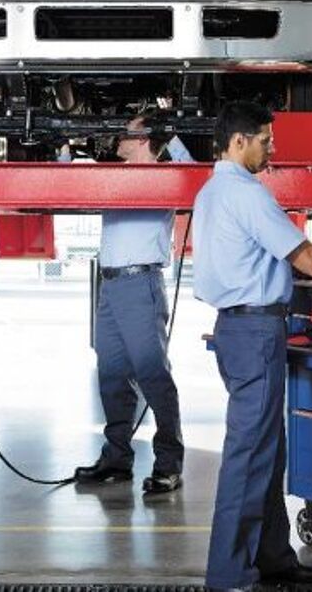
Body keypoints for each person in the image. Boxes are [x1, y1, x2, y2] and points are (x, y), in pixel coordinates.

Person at [192, 101, 312, 592]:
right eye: (265, 140)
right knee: (249, 457)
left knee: (267, 453)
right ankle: (229, 576)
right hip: (256, 333)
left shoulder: (210, 193)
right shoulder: (247, 193)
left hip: (235, 330)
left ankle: (272, 557)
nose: (271, 149)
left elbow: (279, 256)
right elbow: (311, 262)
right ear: (239, 141)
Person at [74, 111, 193, 493]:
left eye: (127, 131)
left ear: (144, 138)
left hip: (141, 284)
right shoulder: (115, 176)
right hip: (110, 285)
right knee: (111, 375)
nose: (117, 136)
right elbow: (67, 182)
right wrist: (62, 146)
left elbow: (196, 176)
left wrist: (169, 135)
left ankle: (169, 465)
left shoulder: (168, 175)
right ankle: (117, 459)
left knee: (153, 375)